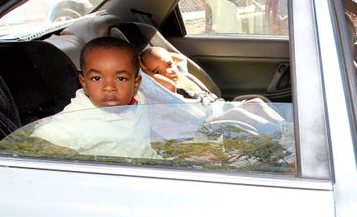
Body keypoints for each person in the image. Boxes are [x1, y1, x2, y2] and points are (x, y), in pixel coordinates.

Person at [29, 36, 159, 159]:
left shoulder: (139, 100)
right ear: (84, 83)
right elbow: (39, 141)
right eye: (97, 78)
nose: (109, 87)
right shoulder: (77, 118)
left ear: (135, 85)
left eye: (121, 79)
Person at [139, 46, 286, 134]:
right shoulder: (167, 89)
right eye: (158, 72)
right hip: (206, 119)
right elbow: (165, 83)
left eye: (169, 65)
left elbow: (180, 59)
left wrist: (164, 58)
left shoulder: (181, 74)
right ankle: (277, 135)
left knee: (256, 102)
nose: (168, 72)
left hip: (218, 106)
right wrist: (144, 71)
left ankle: (286, 128)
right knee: (238, 113)